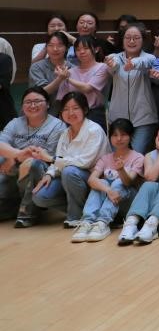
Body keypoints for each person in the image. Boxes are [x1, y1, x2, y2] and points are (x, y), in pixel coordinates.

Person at [32, 92, 111, 228]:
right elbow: (59, 159)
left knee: (69, 171)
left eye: (75, 108)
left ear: (85, 110)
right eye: (66, 109)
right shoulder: (65, 133)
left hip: (95, 179)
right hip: (71, 179)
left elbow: (84, 162)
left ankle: (75, 216)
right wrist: (49, 174)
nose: (70, 113)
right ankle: (85, 208)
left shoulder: (94, 130)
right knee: (40, 197)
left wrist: (50, 158)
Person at [0, 87, 65, 227]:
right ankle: (14, 206)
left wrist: (15, 157)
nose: (32, 105)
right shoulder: (15, 122)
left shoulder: (57, 126)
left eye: (37, 101)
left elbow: (47, 156)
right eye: (28, 102)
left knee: (32, 163)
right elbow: (1, 144)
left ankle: (27, 213)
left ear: (48, 104)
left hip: (41, 170)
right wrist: (15, 155)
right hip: (13, 166)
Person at [71, 118, 144, 242]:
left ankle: (102, 222)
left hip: (128, 204)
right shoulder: (105, 158)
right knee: (101, 182)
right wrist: (108, 190)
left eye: (123, 135)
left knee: (118, 182)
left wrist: (121, 170)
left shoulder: (138, 157)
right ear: (110, 138)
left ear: (130, 136)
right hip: (111, 201)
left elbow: (128, 182)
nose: (119, 139)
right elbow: (91, 180)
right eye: (115, 135)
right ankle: (87, 222)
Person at [104, 24, 159, 153]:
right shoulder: (115, 57)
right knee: (118, 156)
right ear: (122, 40)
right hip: (118, 119)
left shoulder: (150, 58)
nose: (132, 41)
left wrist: (133, 63)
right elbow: (113, 65)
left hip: (144, 118)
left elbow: (145, 62)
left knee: (136, 155)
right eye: (128, 37)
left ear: (143, 40)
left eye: (136, 38)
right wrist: (112, 64)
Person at [55, 36, 110, 130]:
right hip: (71, 114)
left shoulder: (102, 67)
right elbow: (62, 99)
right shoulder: (69, 72)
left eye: (86, 48)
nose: (82, 52)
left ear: (96, 49)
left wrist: (67, 78)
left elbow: (87, 88)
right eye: (78, 49)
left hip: (94, 113)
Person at [28, 31, 71, 97]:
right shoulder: (36, 67)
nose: (55, 49)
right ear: (46, 47)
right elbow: (41, 93)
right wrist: (60, 79)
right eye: (51, 45)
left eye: (60, 45)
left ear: (67, 48)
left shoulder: (73, 67)